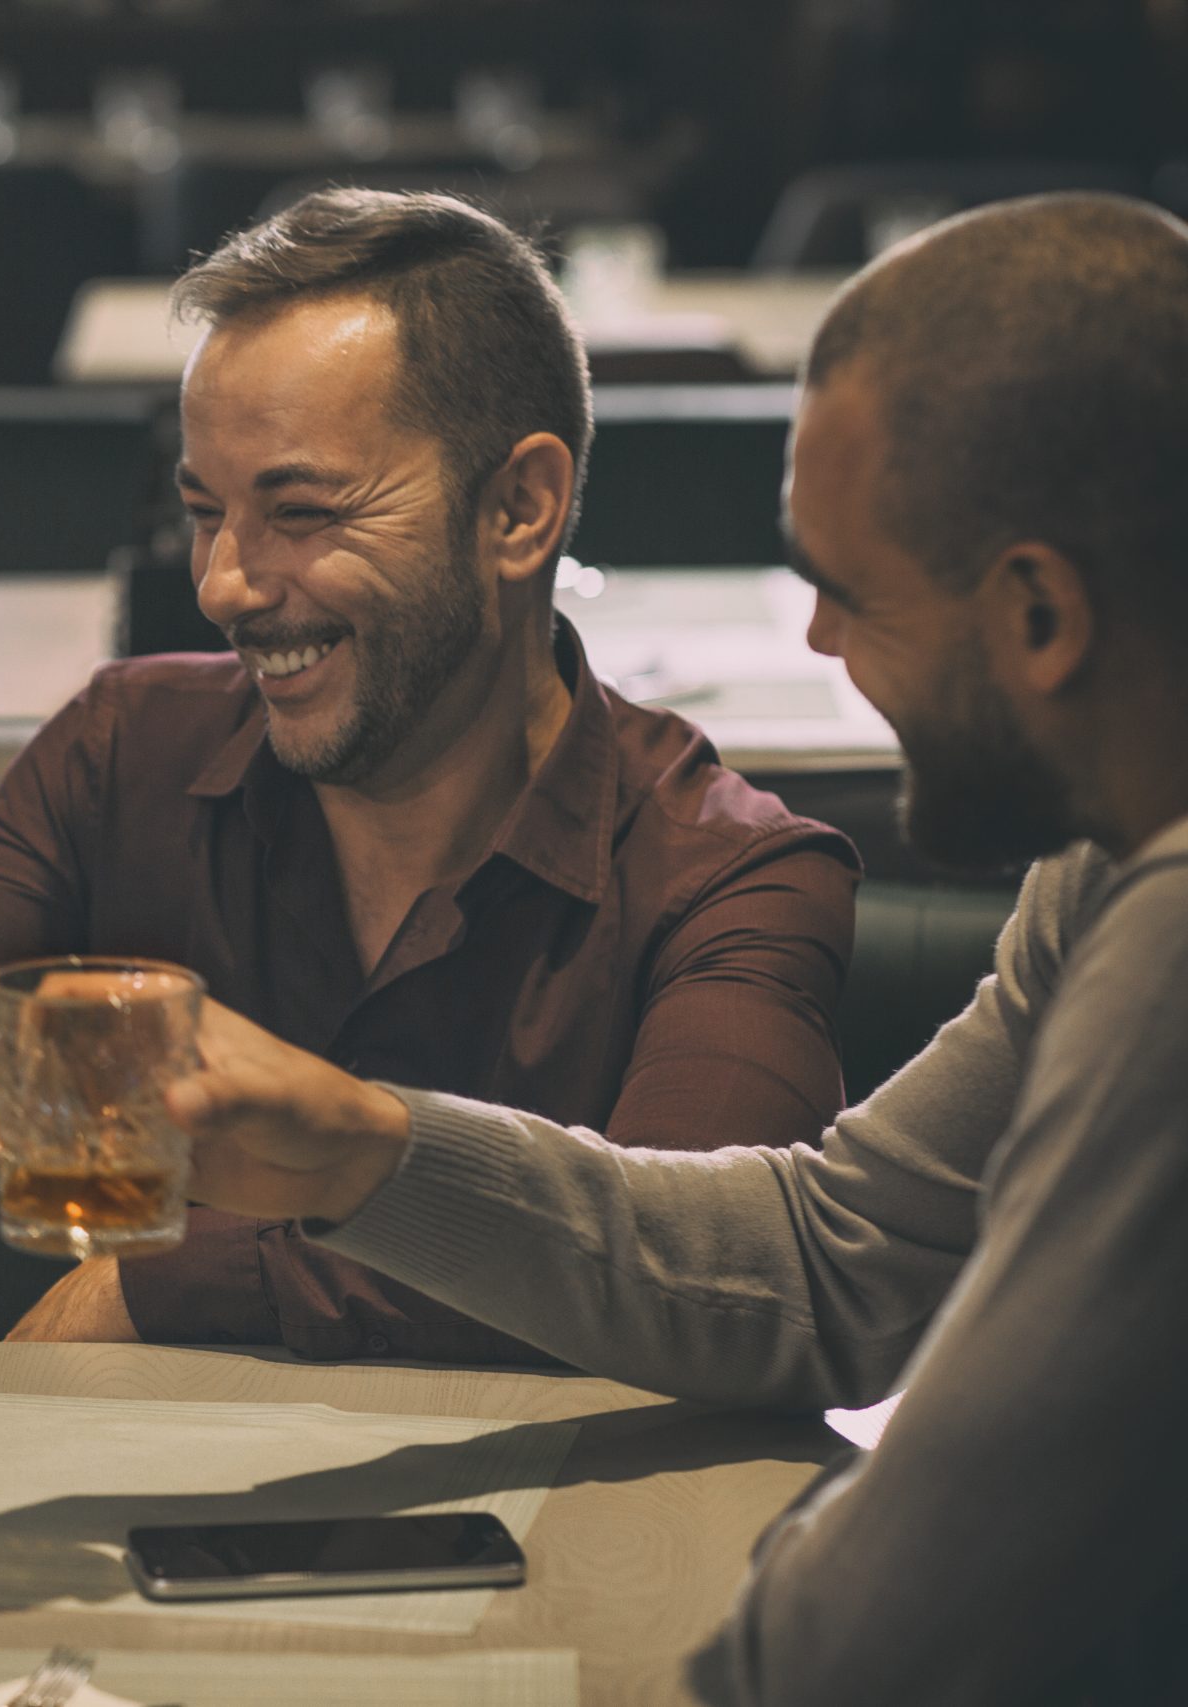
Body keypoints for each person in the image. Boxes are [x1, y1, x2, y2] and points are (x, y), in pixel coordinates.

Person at [145, 193, 1188, 1704]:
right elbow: (832, 1261)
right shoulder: (1109, 857)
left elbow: (926, 1589)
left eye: (847, 586)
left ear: (1038, 609)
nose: (819, 641)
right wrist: (361, 1153)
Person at [0, 188, 857, 1358]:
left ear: (519, 508)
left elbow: (701, 1288)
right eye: (205, 512)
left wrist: (162, 1283)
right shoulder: (124, 753)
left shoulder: (729, 878)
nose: (223, 585)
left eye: (299, 511)